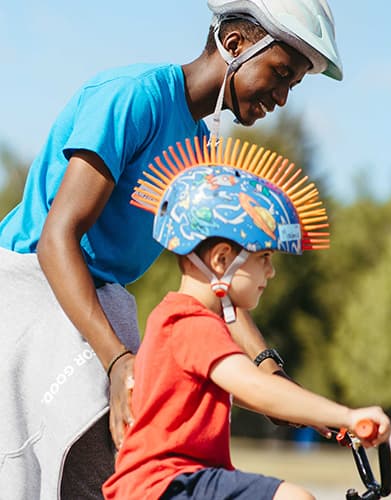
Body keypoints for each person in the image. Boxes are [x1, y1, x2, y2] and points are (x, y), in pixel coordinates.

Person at [0, 1, 343, 498]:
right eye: (282, 72)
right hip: (35, 292)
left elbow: (214, 282)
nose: (284, 96)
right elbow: (58, 237)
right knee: (91, 459)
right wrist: (118, 362)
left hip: (104, 302)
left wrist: (272, 375)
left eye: (294, 83)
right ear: (235, 44)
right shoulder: (133, 97)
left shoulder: (200, 149)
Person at [102, 137, 391, 500]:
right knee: (294, 499)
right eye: (264, 257)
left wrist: (312, 412)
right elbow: (255, 386)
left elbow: (238, 390)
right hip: (167, 483)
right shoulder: (191, 324)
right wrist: (346, 415)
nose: (270, 273)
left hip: (173, 482)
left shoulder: (176, 317)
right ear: (222, 260)